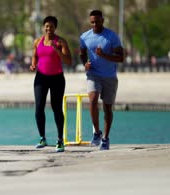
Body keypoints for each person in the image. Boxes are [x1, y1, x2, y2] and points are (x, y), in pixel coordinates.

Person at [79, 10, 124, 150]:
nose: (95, 24)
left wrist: (104, 55)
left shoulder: (112, 37)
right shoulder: (85, 37)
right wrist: (84, 64)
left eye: (97, 21)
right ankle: (97, 133)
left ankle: (105, 138)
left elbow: (121, 58)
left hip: (109, 77)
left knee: (107, 108)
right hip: (93, 75)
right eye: (92, 22)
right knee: (92, 100)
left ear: (102, 20)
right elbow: (81, 53)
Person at [30, 16, 72, 152]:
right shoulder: (38, 41)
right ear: (43, 27)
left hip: (57, 79)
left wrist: (57, 50)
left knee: (56, 108)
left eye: (52, 26)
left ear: (55, 28)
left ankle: (60, 140)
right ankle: (42, 137)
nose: (49, 29)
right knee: (39, 108)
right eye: (47, 26)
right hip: (41, 78)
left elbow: (68, 61)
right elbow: (35, 55)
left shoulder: (60, 41)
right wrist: (33, 64)